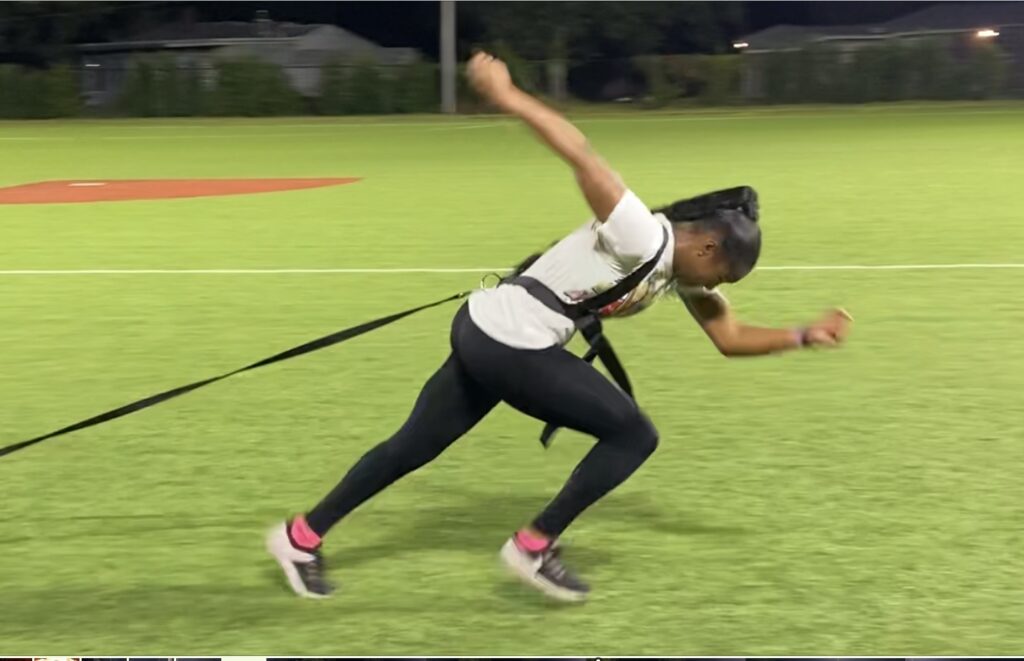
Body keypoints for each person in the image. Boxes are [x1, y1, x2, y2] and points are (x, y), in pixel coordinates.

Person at [266, 52, 852, 603]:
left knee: (409, 449)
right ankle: (533, 546)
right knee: (634, 435)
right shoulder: (642, 236)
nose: (719, 287)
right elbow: (583, 155)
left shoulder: (680, 273)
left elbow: (730, 339)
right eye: (724, 273)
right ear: (706, 244)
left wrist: (802, 335)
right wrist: (507, 94)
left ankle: (299, 538)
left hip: (485, 330)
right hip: (510, 343)